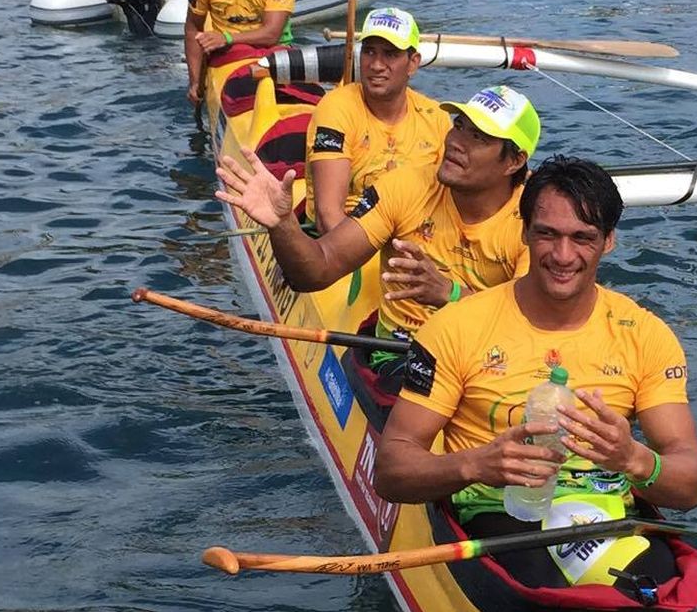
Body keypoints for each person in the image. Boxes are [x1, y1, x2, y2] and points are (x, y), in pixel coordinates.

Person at [372, 156, 697, 590]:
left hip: (601, 513)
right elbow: (391, 470)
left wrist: (632, 458)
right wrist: (476, 463)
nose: (563, 256)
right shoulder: (455, 326)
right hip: (496, 510)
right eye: (547, 234)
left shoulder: (646, 335)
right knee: (540, 584)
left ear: (608, 242)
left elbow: (691, 486)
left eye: (582, 238)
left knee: (659, 586)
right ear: (525, 232)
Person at [215, 84, 539, 401]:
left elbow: (531, 326)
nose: (456, 142)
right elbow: (317, 270)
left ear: (514, 161)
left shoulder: (538, 222)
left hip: (490, 363)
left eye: (478, 137)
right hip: (401, 352)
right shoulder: (406, 186)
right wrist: (282, 225)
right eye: (459, 126)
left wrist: (449, 295)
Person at [305, 6, 449, 234]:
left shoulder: (437, 117)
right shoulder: (336, 107)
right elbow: (328, 216)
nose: (376, 65)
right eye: (369, 52)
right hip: (344, 237)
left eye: (390, 54)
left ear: (413, 63)